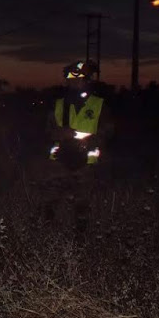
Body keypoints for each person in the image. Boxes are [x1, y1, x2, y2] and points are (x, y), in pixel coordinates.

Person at [42, 60, 113, 232]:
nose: (73, 82)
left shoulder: (99, 105)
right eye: (70, 79)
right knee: (49, 203)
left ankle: (80, 239)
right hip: (59, 160)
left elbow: (108, 131)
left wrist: (86, 140)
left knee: (82, 205)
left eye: (79, 79)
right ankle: (45, 236)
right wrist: (59, 134)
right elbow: (47, 130)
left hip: (85, 162)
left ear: (87, 80)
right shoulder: (59, 104)